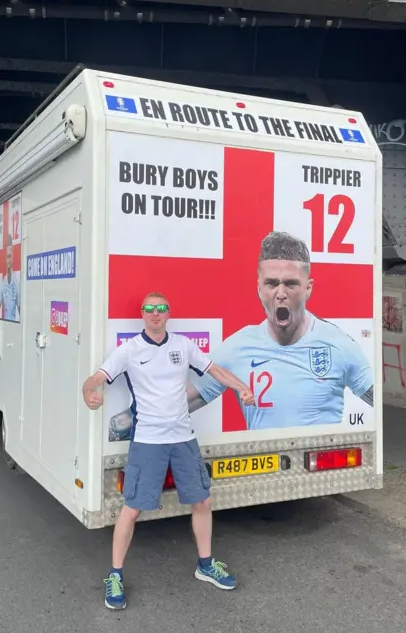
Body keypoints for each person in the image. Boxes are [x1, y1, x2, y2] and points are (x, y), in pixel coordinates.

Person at [82, 292, 255, 610]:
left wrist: (241, 387)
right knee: (132, 509)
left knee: (202, 500)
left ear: (168, 313)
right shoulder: (130, 350)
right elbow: (95, 379)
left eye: (161, 309)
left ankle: (205, 564)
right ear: (142, 314)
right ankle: (116, 575)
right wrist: (88, 392)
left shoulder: (183, 345)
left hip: (183, 438)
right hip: (147, 440)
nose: (155, 314)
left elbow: (215, 369)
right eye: (149, 309)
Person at [188, 231, 374, 428]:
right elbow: (180, 403)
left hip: (318, 457)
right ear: (259, 288)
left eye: (290, 284)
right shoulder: (238, 347)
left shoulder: (338, 344)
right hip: (263, 457)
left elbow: (376, 400)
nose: (281, 294)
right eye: (272, 283)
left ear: (308, 288)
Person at [0, 235, 20, 322]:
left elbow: (21, 308)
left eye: (10, 256)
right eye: (7, 257)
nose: (9, 260)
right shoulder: (4, 281)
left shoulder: (17, 281)